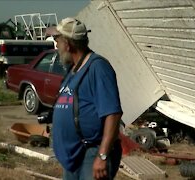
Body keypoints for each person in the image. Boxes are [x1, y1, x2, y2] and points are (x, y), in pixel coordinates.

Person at [46, 17, 123, 180]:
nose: (56, 45)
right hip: (75, 156)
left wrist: (102, 156)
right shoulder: (73, 69)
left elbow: (113, 114)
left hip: (93, 152)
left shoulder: (98, 68)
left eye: (57, 40)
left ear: (68, 44)